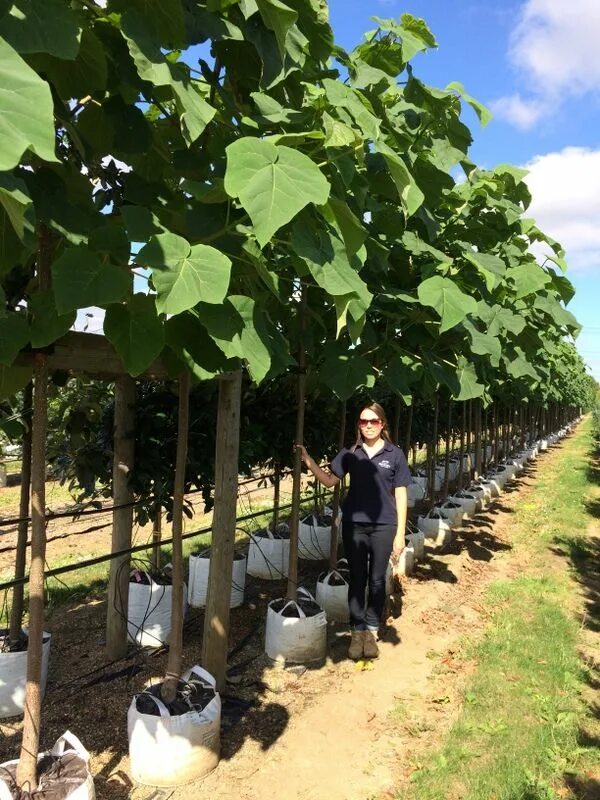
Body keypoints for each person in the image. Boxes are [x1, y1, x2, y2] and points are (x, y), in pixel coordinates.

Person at [297, 402, 411, 660]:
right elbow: (329, 481)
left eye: (373, 421)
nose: (368, 425)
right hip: (354, 524)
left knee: (378, 579)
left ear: (382, 424)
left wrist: (400, 533)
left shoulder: (395, 454)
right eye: (363, 421)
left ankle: (371, 631)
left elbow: (402, 494)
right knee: (357, 578)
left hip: (384, 524)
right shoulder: (350, 453)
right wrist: (309, 461)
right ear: (358, 425)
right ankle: (357, 631)